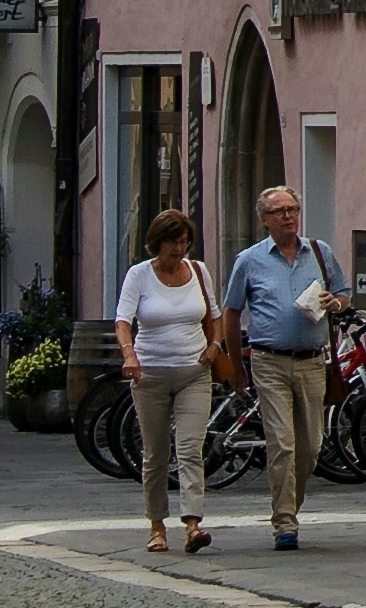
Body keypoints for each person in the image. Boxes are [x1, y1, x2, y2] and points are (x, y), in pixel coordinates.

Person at [221, 186, 345, 555]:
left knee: (310, 446)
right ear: (264, 220)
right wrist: (233, 364)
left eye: (292, 209)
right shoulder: (250, 260)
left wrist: (334, 302)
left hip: (312, 360)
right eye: (279, 211)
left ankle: (290, 505)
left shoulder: (320, 253)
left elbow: (343, 294)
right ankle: (285, 523)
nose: (288, 216)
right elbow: (231, 311)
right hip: (269, 359)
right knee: (283, 444)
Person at [113, 209, 224, 555]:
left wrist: (215, 346)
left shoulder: (198, 271)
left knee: (190, 448)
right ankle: (157, 524)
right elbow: (123, 320)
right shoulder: (140, 275)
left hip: (194, 371)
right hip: (151, 374)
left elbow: (214, 315)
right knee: (156, 453)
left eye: (183, 242)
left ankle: (193, 524)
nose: (178, 250)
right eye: (172, 243)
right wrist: (129, 354)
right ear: (156, 243)